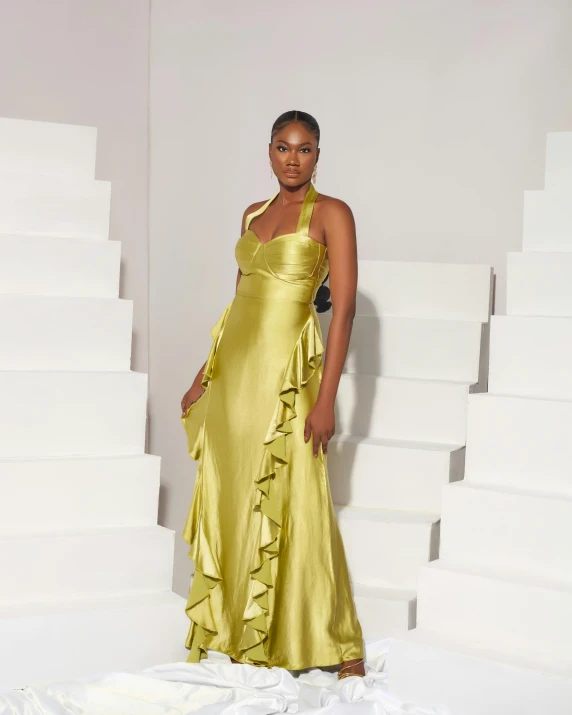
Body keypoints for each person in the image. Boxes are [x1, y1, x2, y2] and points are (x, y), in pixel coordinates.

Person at [180, 110, 365, 679]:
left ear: (317, 155)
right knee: (236, 493)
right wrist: (203, 374)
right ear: (268, 152)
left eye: (304, 149)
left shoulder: (333, 213)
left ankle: (337, 641)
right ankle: (242, 631)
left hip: (288, 377)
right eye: (283, 148)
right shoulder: (251, 214)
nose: (293, 158)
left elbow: (346, 310)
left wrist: (327, 397)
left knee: (300, 496)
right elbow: (237, 303)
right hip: (235, 375)